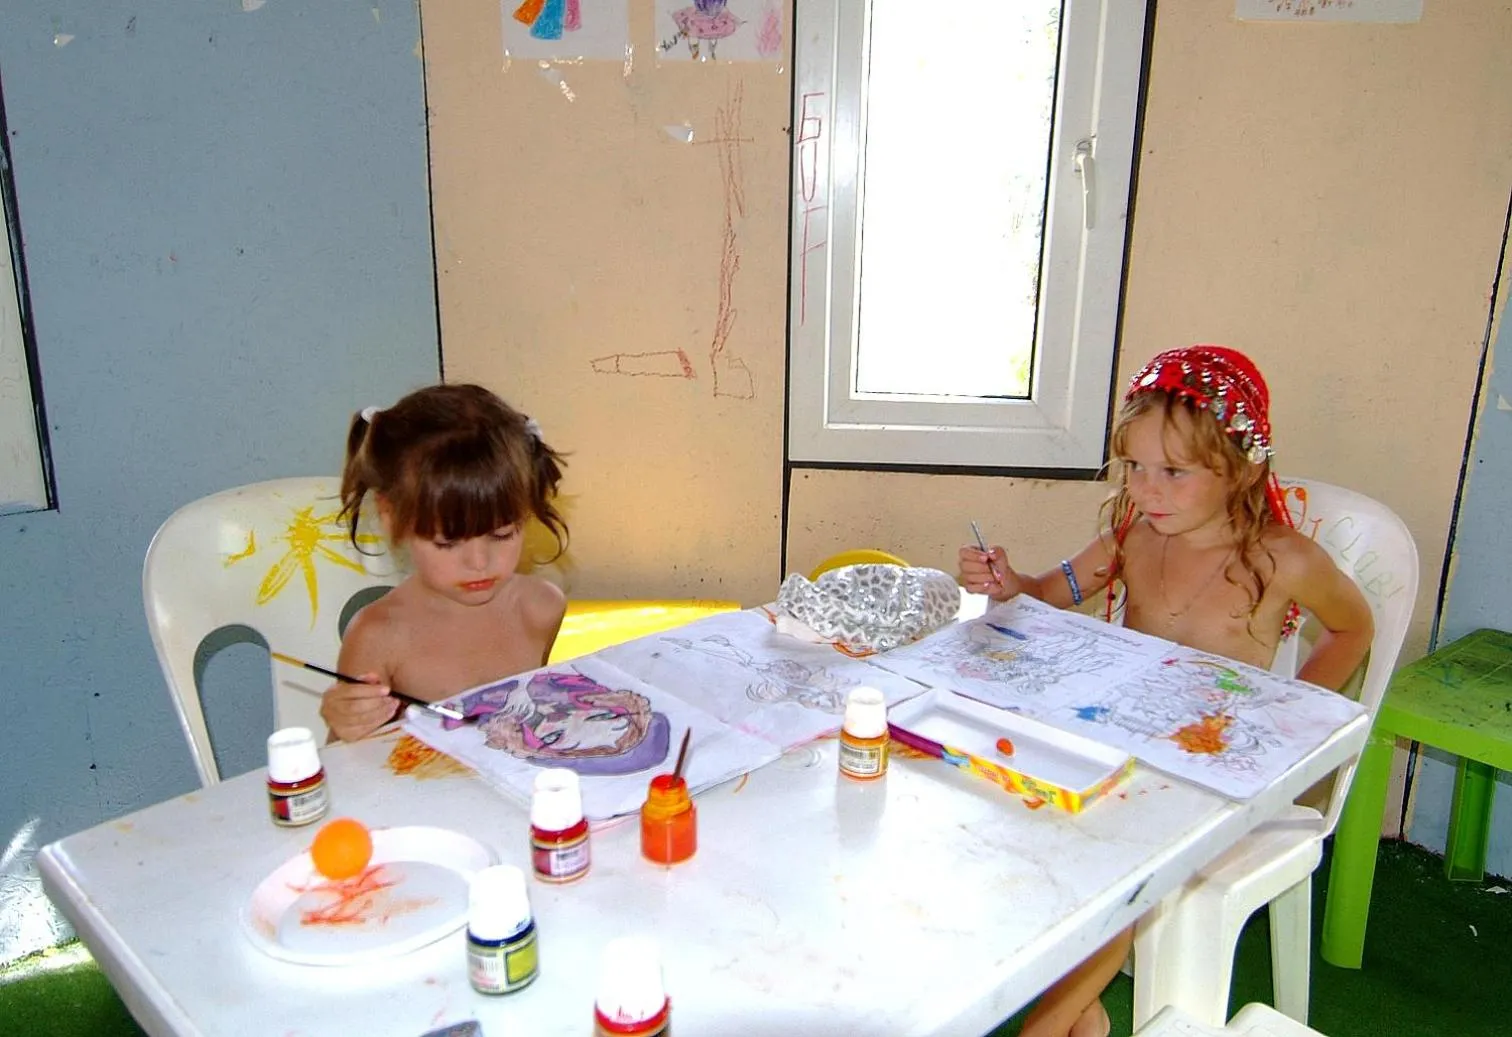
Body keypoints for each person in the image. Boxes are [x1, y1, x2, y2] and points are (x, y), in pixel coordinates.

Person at [958, 344, 1374, 1037]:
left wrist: (1292, 710)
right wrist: (1013, 585)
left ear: (1240, 466)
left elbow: (1354, 629)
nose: (1147, 490)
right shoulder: (1131, 531)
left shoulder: (1283, 559)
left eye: (1173, 472)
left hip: (1212, 772)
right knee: (1011, 800)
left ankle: (1046, 1023)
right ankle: (1084, 1011)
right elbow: (1056, 589)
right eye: (1135, 468)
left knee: (1125, 866)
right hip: (1127, 740)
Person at [320, 383, 570, 743]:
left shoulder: (542, 607)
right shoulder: (379, 636)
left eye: (502, 534)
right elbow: (347, 771)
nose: (479, 562)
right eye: (447, 542)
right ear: (390, 516)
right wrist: (347, 725)